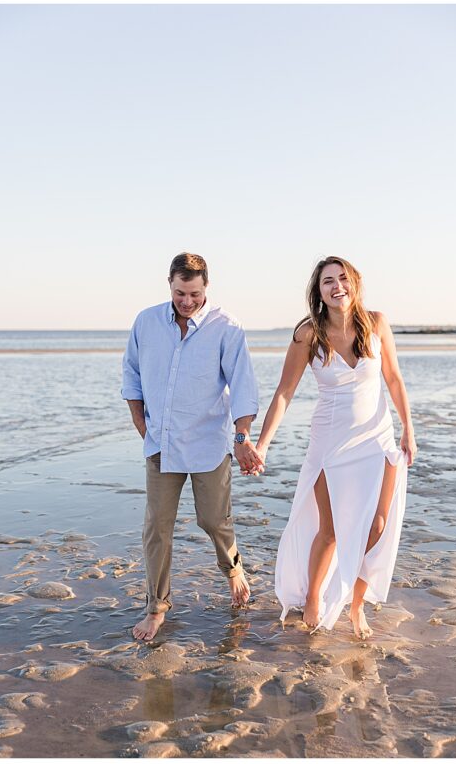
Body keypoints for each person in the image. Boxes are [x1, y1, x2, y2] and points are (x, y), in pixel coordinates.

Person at [252, 256, 416, 639]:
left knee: (377, 526)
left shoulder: (376, 323)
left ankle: (356, 605)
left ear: (355, 283)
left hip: (377, 440)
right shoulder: (308, 333)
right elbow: (284, 393)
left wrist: (408, 428)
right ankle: (312, 597)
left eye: (343, 278)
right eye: (328, 281)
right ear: (319, 290)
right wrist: (261, 444)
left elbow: (393, 378)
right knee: (330, 530)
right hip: (329, 443)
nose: (337, 286)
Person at [122, 253, 260, 642]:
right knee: (157, 527)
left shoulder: (226, 327)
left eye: (195, 293)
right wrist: (139, 420)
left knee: (213, 520)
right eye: (181, 293)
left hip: (208, 443)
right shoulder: (146, 322)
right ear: (169, 283)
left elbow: (244, 385)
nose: (187, 301)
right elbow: (131, 372)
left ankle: (233, 568)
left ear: (206, 287)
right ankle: (156, 607)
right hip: (161, 445)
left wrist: (243, 436)